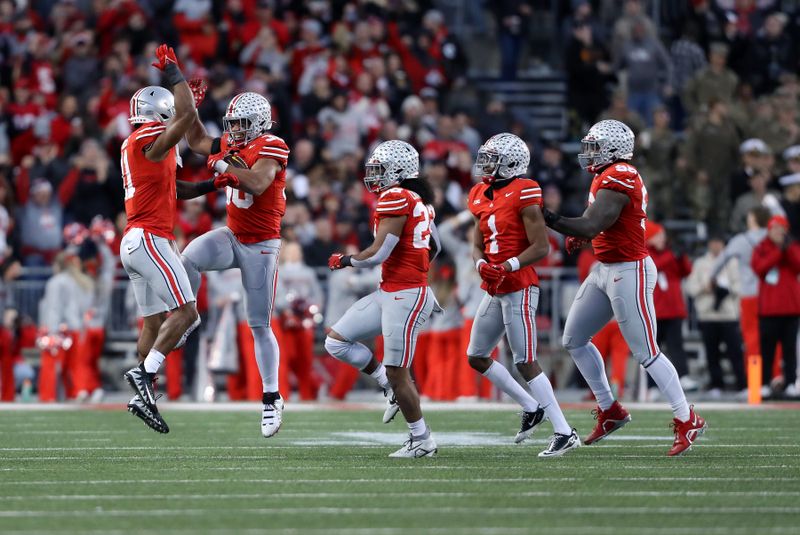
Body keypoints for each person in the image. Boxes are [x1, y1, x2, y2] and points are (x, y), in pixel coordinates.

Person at [542, 119, 707, 456]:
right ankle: (610, 410)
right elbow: (599, 225)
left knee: (646, 351)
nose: (589, 153)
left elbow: (593, 221)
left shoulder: (622, 174)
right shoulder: (605, 176)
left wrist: (544, 216)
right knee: (573, 338)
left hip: (629, 270)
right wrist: (580, 235)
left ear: (614, 150)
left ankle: (687, 418)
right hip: (605, 268)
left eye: (596, 146)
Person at [120, 46, 236, 433]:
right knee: (187, 313)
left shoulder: (146, 144)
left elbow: (175, 191)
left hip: (136, 241)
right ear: (160, 113)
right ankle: (143, 375)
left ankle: (143, 394)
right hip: (150, 238)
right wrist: (174, 74)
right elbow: (185, 117)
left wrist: (211, 184)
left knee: (152, 324)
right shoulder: (146, 139)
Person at [183, 84, 290, 438]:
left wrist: (225, 166)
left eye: (243, 123)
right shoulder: (232, 144)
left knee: (258, 324)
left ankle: (271, 397)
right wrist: (187, 105)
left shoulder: (272, 145)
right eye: (233, 123)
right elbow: (198, 140)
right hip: (233, 235)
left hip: (261, 245)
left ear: (260, 123)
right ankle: (186, 316)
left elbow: (259, 183)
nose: (235, 130)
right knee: (189, 257)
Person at [467, 133, 579, 458]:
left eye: (492, 158)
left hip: (519, 285)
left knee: (525, 360)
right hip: (495, 285)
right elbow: (477, 242)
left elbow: (541, 246)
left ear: (512, 163)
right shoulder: (479, 192)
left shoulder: (525, 190)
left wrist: (507, 265)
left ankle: (564, 431)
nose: (485, 163)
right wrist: (481, 264)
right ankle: (532, 407)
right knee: (476, 355)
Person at [325, 140, 440, 458]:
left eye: (380, 170)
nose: (374, 176)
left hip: (405, 293)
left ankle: (422, 439)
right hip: (391, 290)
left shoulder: (397, 196)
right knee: (336, 341)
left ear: (399, 172)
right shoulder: (417, 199)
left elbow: (379, 253)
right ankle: (385, 384)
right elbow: (435, 247)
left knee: (398, 372)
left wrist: (346, 260)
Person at [686, 236, 746, 398]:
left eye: (718, 242)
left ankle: (743, 384)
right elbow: (691, 288)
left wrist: (725, 289)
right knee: (712, 353)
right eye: (713, 242)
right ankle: (716, 384)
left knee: (735, 352)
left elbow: (740, 285)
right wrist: (707, 287)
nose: (715, 245)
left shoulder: (731, 262)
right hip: (708, 314)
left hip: (728, 314)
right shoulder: (700, 263)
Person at [751, 215, 800, 398]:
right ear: (769, 230)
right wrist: (779, 251)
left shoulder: (792, 246)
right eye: (775, 228)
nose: (779, 232)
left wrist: (788, 249)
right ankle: (763, 383)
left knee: (789, 350)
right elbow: (759, 268)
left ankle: (790, 383)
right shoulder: (762, 247)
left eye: (782, 228)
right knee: (767, 350)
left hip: (791, 309)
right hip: (769, 310)